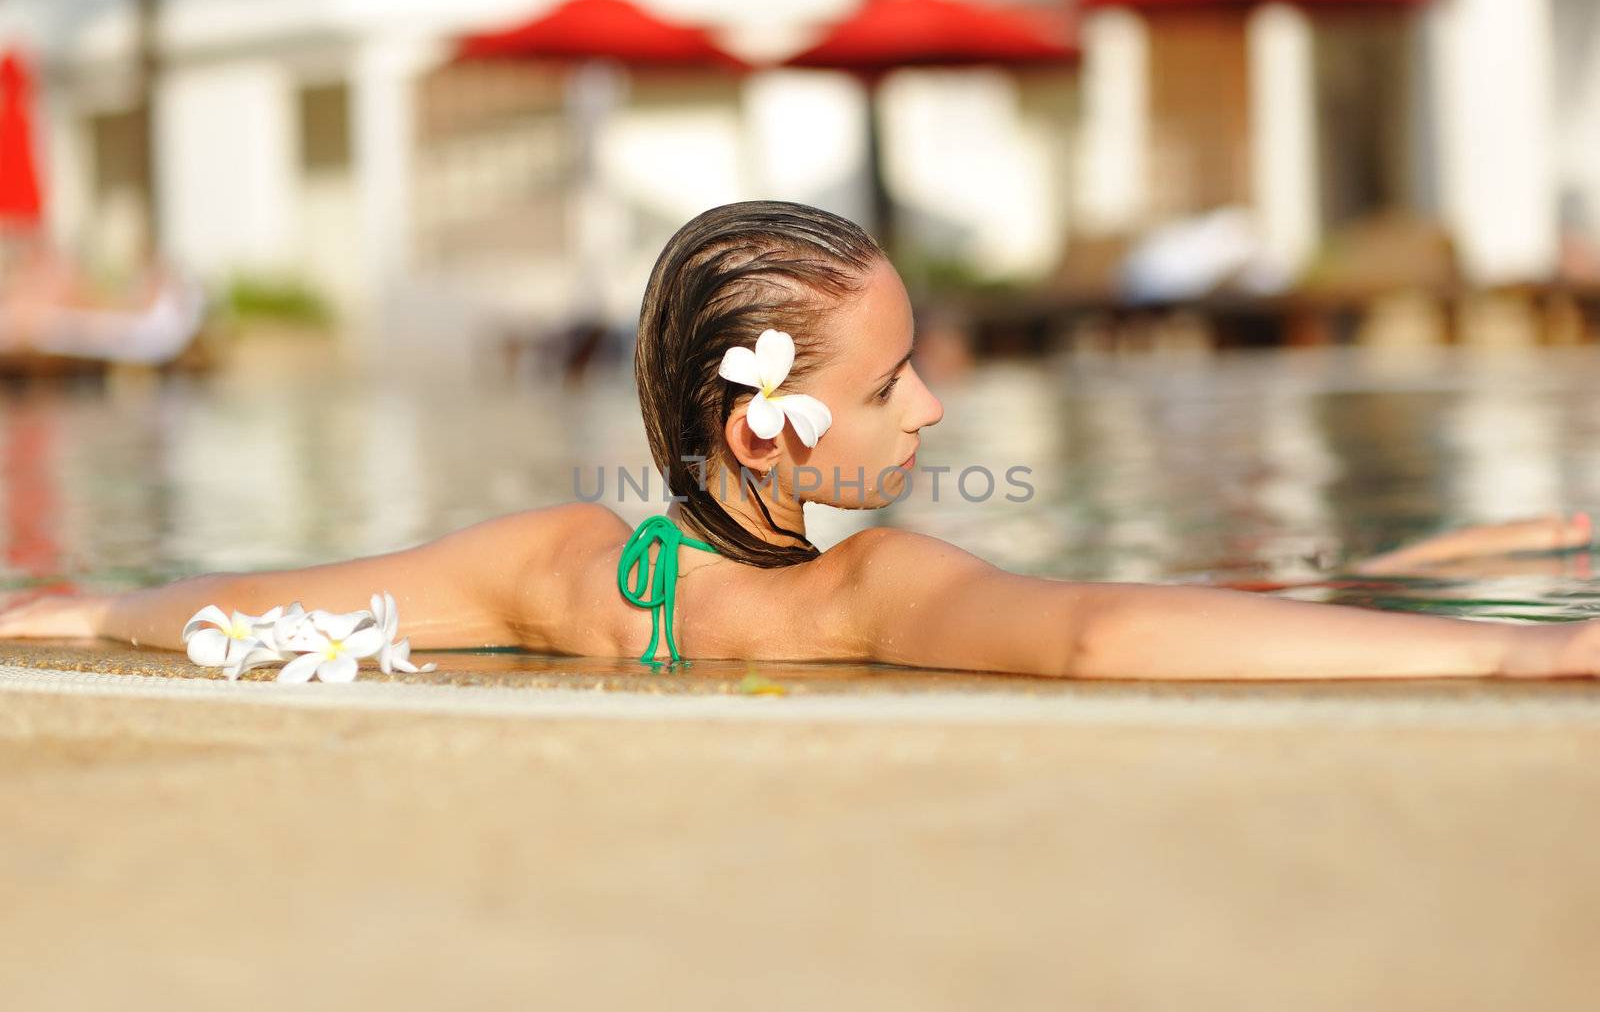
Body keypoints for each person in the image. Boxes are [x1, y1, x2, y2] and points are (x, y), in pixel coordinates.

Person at [1, 200, 1598, 679]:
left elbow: (272, 600)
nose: (935, 408)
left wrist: (73, 611)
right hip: (1008, 598)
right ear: (761, 430)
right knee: (1278, 585)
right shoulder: (868, 591)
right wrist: (1504, 662)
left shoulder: (564, 566)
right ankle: (1432, 574)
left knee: (1311, 569)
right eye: (896, 379)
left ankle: (1419, 558)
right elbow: (1108, 628)